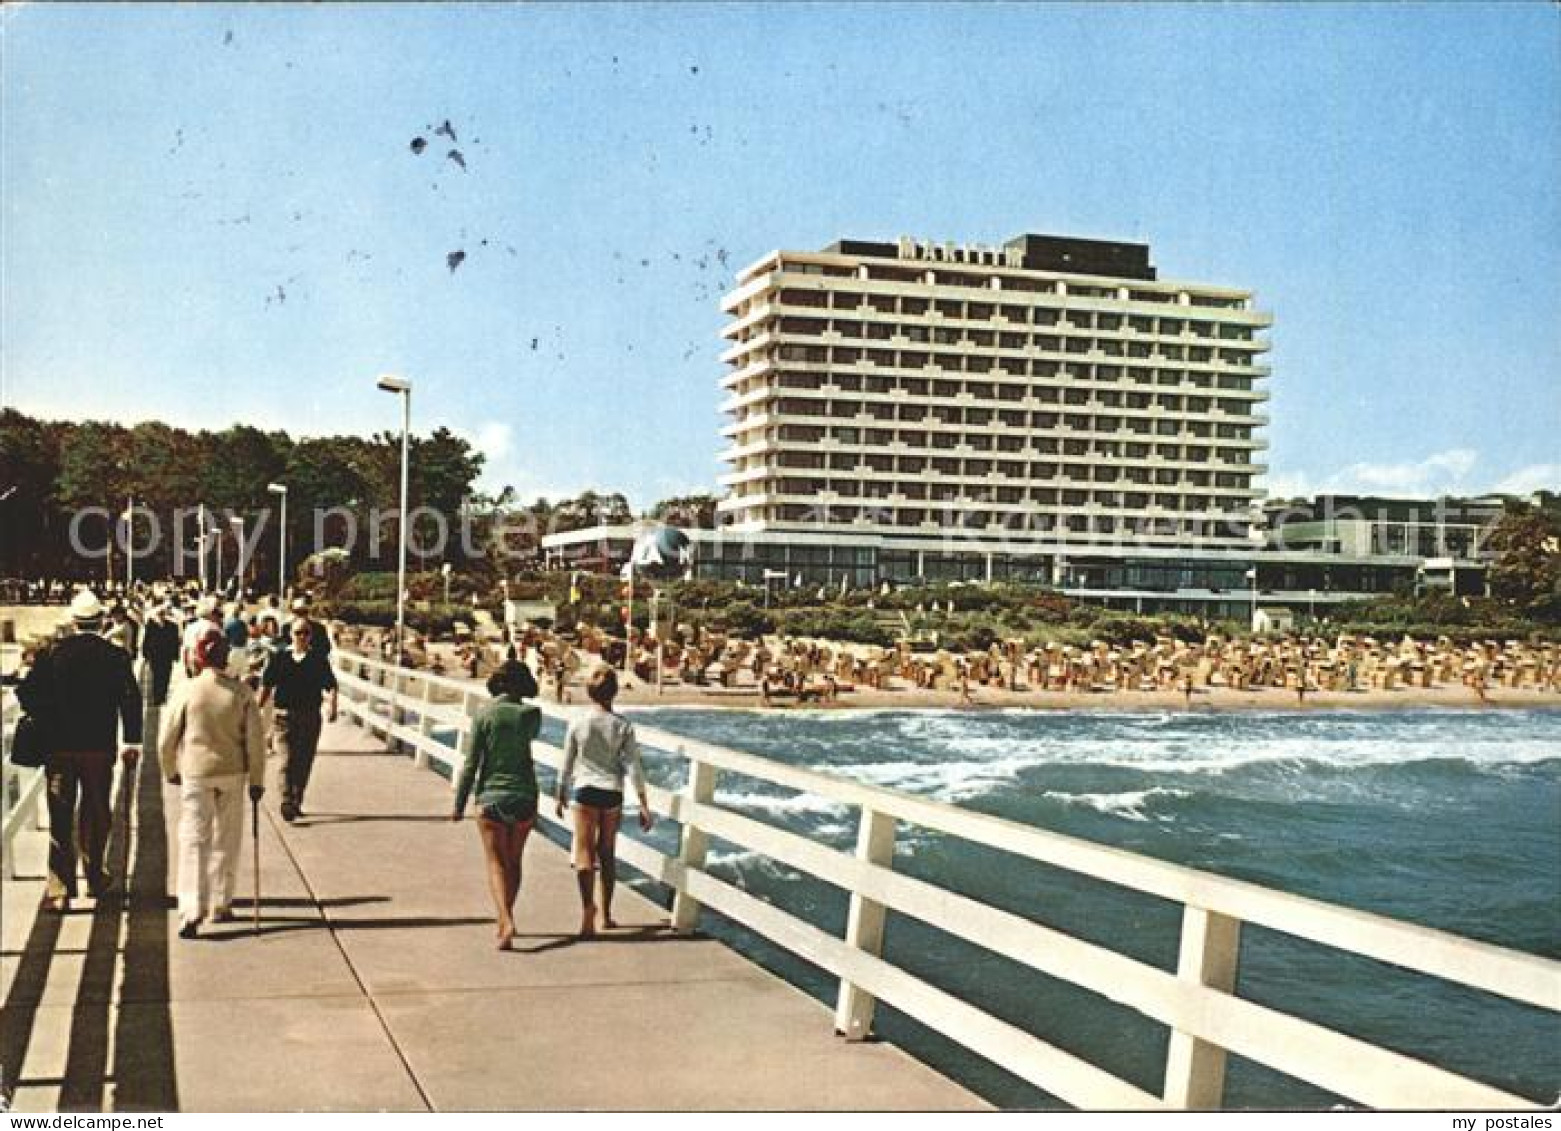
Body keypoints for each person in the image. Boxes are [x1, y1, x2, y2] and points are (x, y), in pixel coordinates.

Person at [16, 589, 143, 911]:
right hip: (98, 748)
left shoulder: (53, 654)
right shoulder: (116, 657)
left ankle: (59, 890)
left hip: (59, 748)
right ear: (101, 622)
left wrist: (49, 714)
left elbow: (27, 694)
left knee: (61, 817)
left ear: (74, 621)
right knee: (97, 812)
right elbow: (130, 700)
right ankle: (95, 874)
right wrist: (132, 740)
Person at [158, 627, 266, 938]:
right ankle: (221, 903)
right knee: (226, 838)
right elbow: (255, 743)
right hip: (232, 772)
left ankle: (191, 908)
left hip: (195, 772)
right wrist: (257, 780)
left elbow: (167, 739)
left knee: (193, 839)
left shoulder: (187, 690)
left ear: (197, 656)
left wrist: (170, 771)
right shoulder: (242, 692)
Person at [554, 666, 653, 938]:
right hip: (611, 793)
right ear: (615, 692)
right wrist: (644, 804)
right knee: (607, 853)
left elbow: (567, 761)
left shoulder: (578, 722)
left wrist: (560, 791)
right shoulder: (623, 726)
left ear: (589, 692)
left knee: (584, 852)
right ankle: (607, 915)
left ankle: (588, 907)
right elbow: (634, 766)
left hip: (584, 791)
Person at [452, 660, 542, 950]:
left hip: (491, 796)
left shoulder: (484, 714)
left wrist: (459, 803)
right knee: (514, 861)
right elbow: (529, 737)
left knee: (495, 862)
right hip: (524, 795)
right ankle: (507, 917)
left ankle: (504, 919)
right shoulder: (531, 714)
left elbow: (472, 763)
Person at [260, 617, 338, 822]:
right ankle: (286, 800)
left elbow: (330, 685)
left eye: (306, 633)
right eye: (298, 633)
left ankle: (296, 801)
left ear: (311, 636)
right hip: (283, 716)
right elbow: (267, 685)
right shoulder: (280, 658)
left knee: (303, 762)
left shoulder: (318, 660)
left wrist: (332, 706)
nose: (302, 637)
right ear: (290, 635)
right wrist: (257, 708)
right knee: (285, 760)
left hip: (309, 716)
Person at [140, 602, 181, 707]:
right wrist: (145, 653)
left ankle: (162, 695)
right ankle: (157, 697)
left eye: (163, 613)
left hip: (167, 656)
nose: (161, 616)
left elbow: (175, 642)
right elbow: (146, 640)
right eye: (159, 614)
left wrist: (176, 655)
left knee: (166, 676)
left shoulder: (173, 626)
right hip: (155, 656)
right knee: (156, 676)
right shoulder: (151, 625)